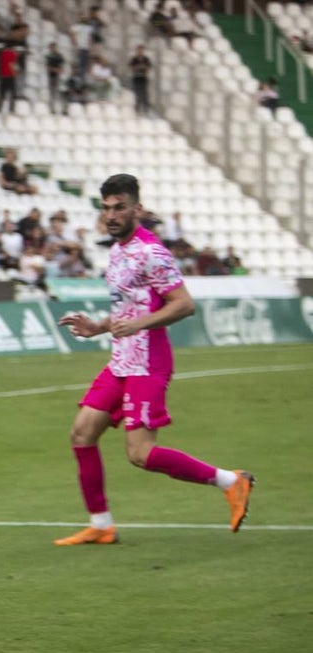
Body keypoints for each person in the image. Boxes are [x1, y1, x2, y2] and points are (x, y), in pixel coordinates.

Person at [55, 174, 255, 546]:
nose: (111, 216)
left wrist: (138, 325)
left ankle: (231, 481)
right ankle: (101, 524)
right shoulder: (116, 251)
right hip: (122, 360)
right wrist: (97, 326)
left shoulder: (152, 252)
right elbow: (127, 310)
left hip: (149, 362)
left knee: (141, 454)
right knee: (82, 433)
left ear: (137, 209)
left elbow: (184, 304)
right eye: (106, 209)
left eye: (119, 207)